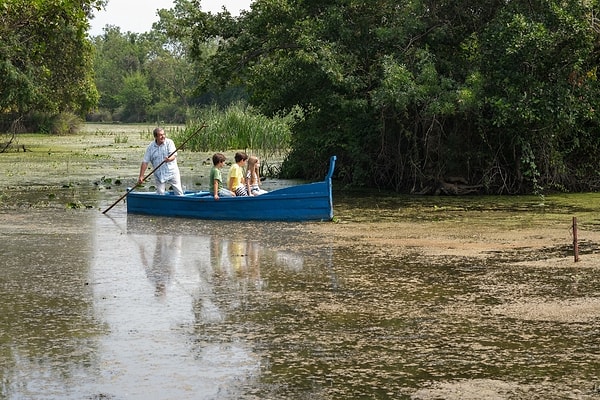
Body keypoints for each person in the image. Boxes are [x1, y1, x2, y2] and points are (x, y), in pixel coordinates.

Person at [138, 127, 183, 195]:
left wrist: (169, 159)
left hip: (172, 172)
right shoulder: (150, 147)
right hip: (159, 174)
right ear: (155, 136)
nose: (163, 136)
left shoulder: (169, 143)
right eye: (161, 135)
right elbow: (145, 162)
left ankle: (181, 203)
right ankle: (162, 204)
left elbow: (174, 156)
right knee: (160, 193)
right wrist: (141, 176)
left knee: (179, 192)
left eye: (164, 134)